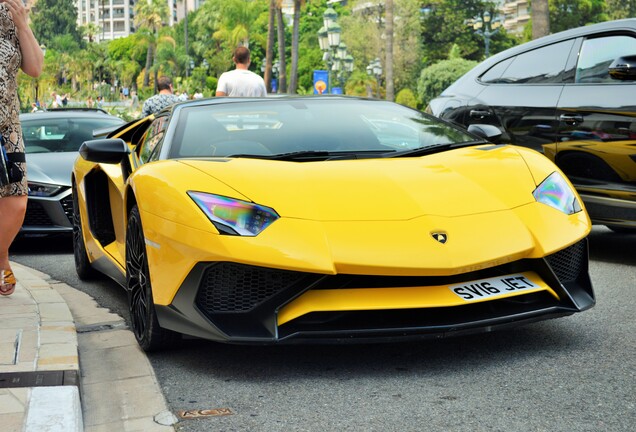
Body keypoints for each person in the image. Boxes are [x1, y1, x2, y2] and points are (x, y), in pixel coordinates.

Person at [0, 0, 44, 296]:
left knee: (17, 201)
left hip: (7, 127)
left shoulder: (11, 15)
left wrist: (22, 24)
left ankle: (1, 255)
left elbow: (36, 68)